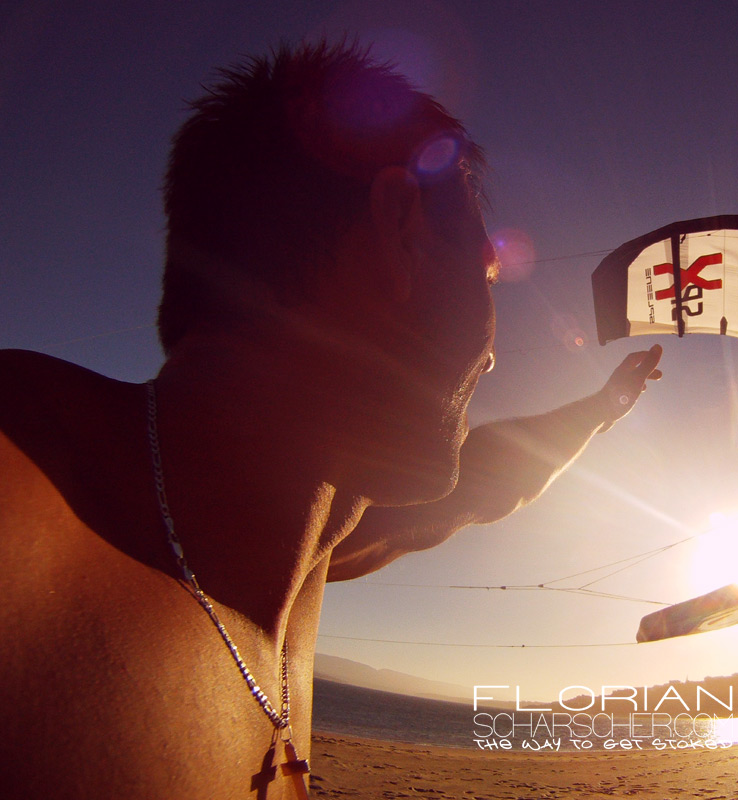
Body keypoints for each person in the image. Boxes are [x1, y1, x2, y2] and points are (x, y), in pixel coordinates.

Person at [0, 40, 661, 799]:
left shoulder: (295, 556)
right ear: (401, 230)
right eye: (485, 271)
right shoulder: (20, 497)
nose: (491, 355)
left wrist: (601, 411)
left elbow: (483, 486)